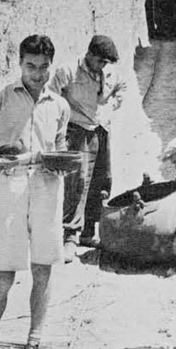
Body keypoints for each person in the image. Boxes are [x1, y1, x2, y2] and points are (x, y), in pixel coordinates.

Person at [0, 34, 71, 349]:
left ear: (51, 66)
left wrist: (54, 161)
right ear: (20, 63)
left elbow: (59, 148)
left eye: (43, 68)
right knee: (5, 272)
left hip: (47, 186)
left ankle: (33, 343)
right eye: (30, 66)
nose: (37, 74)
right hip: (10, 185)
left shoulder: (60, 106)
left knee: (43, 269)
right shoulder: (0, 95)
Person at [47, 35, 126, 261]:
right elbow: (51, 96)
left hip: (101, 128)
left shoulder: (109, 72)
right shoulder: (68, 71)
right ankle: (70, 237)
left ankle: (89, 231)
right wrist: (62, 123)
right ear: (90, 54)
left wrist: (112, 105)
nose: (103, 66)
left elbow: (122, 84)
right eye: (100, 61)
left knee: (102, 180)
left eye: (106, 63)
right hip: (77, 129)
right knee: (78, 181)